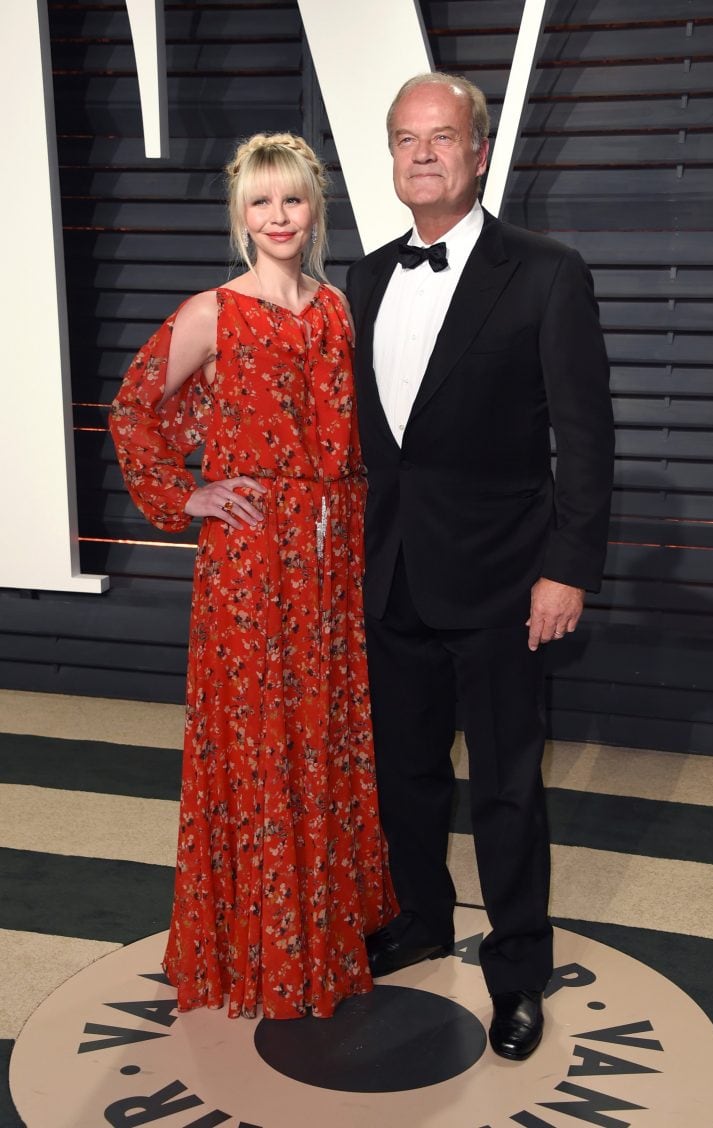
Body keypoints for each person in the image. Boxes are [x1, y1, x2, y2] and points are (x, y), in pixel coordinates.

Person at [346, 73, 614, 1060]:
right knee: (404, 778)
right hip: (393, 577)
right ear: (393, 158)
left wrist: (567, 568)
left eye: (442, 136)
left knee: (506, 788)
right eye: (406, 139)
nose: (423, 153)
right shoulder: (363, 277)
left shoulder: (546, 271)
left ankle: (516, 974)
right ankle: (419, 918)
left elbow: (586, 439)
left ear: (478, 152)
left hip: (506, 584)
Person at [110, 132, 397, 1021]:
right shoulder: (212, 313)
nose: (279, 217)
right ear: (241, 213)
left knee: (328, 731)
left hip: (330, 555)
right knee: (262, 737)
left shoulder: (340, 309)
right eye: (262, 202)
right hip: (252, 562)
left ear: (316, 210)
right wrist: (190, 495)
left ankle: (326, 928)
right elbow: (133, 411)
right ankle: (258, 950)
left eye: (294, 200)